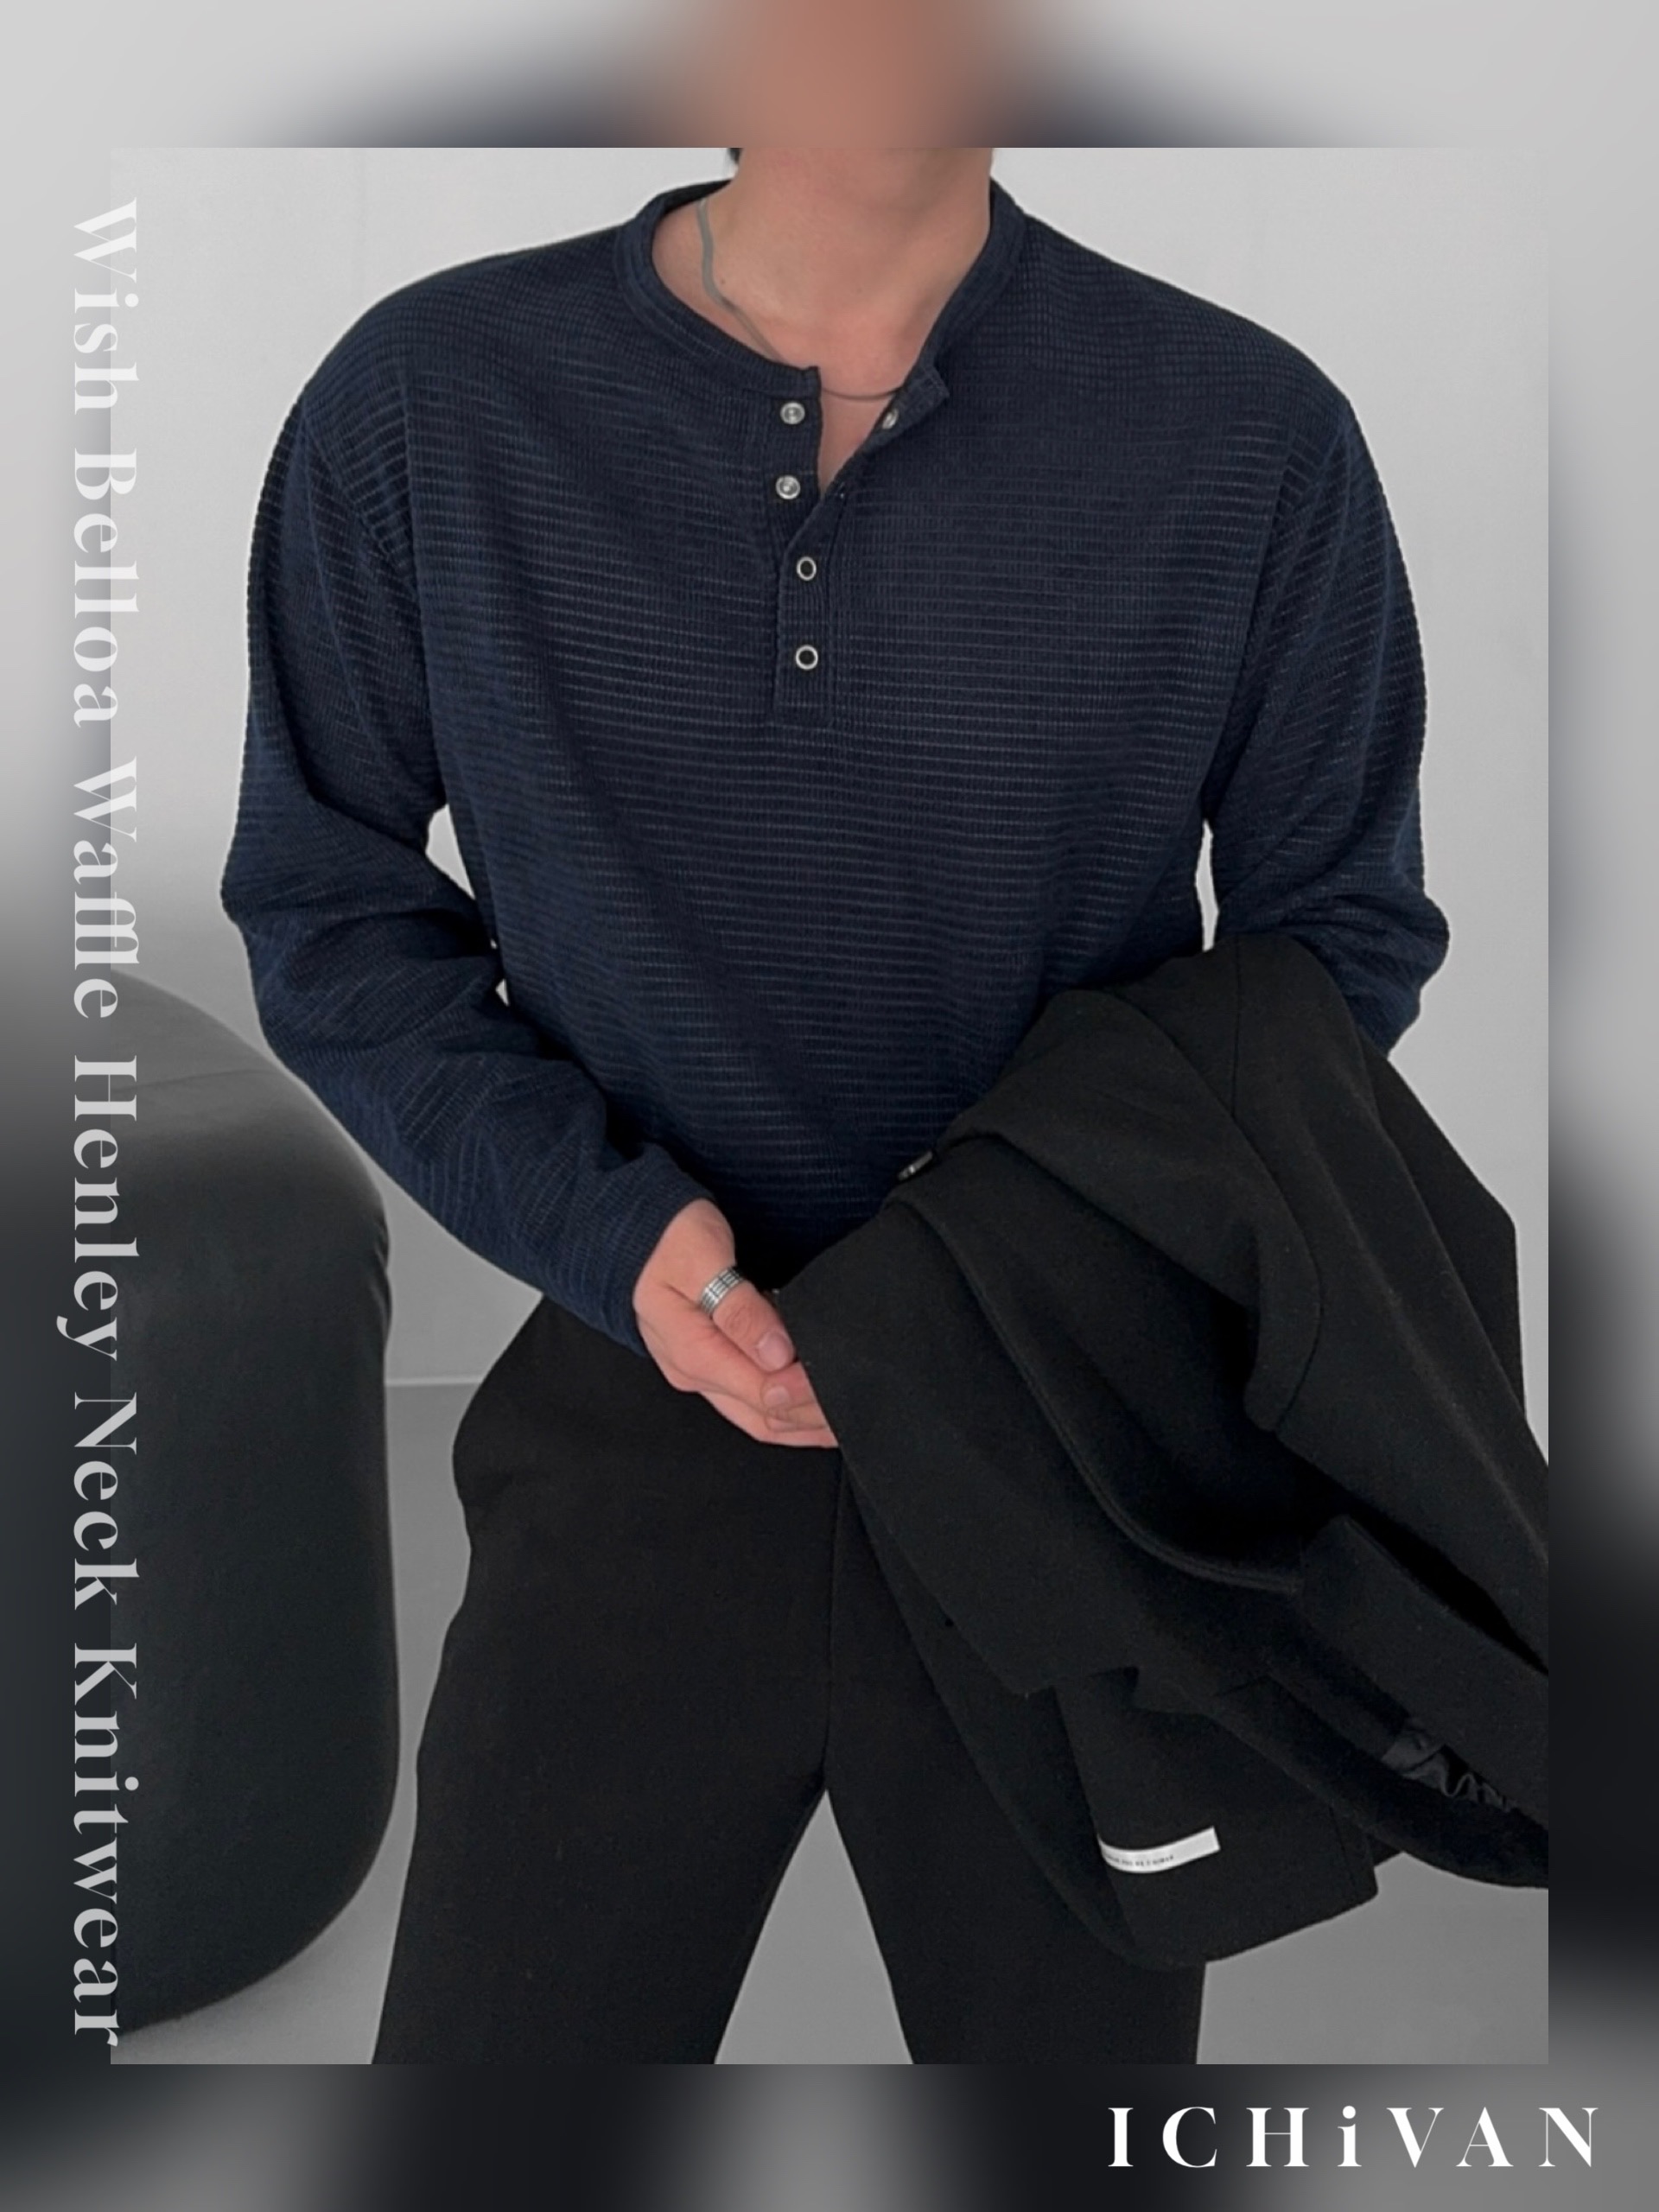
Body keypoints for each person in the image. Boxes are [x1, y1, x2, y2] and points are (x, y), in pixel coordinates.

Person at [220, 147, 1447, 2062]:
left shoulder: (1251, 435)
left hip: (1066, 1453)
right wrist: (615, 1231)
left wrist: (1020, 1251)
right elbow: (329, 906)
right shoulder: (428, 403)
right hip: (627, 1423)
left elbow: (1333, 940)